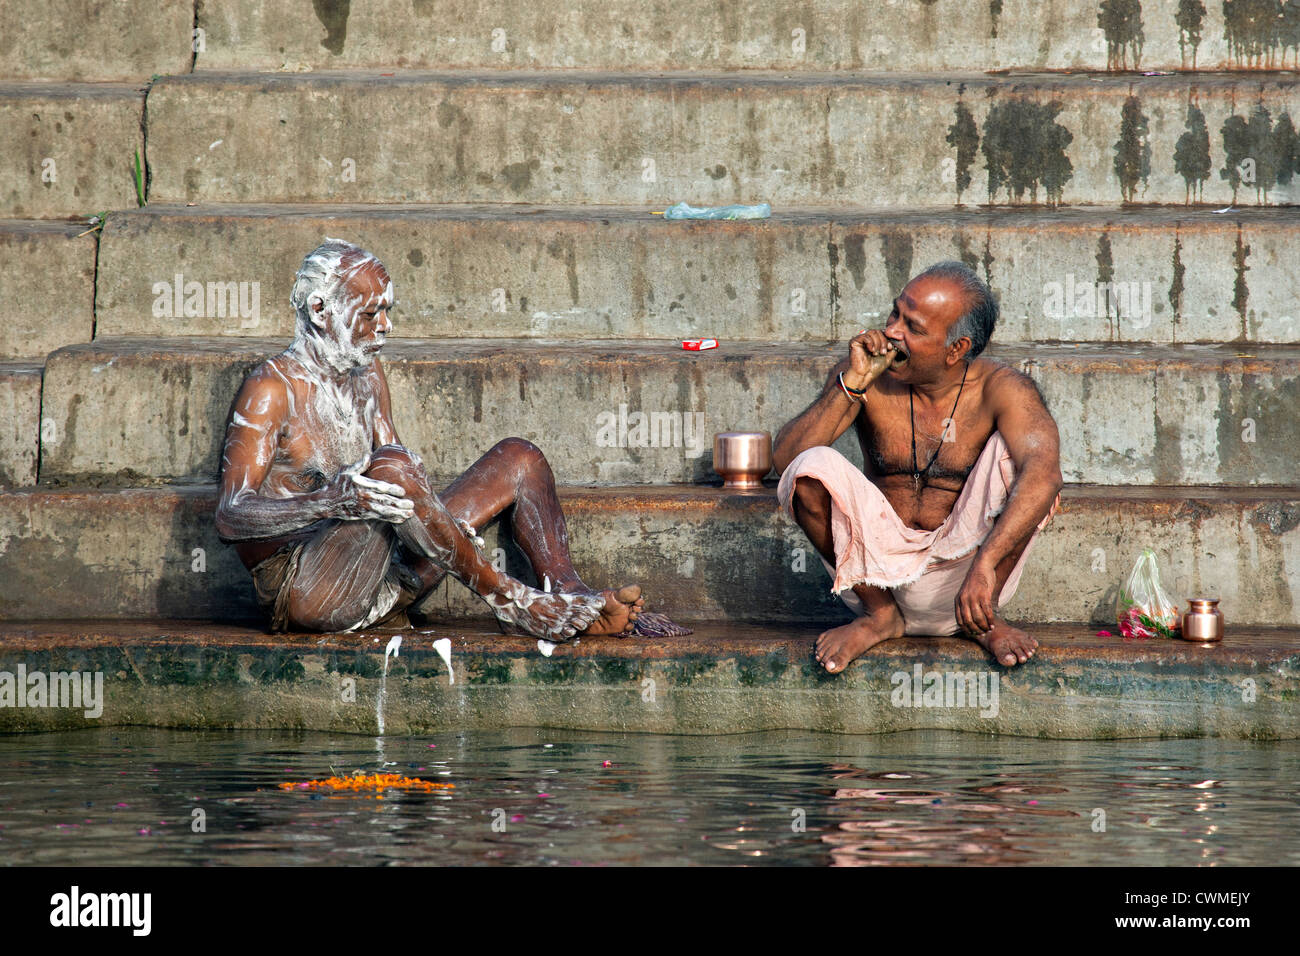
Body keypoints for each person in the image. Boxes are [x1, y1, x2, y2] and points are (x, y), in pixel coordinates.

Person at [216, 238, 656, 640]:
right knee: (391, 469)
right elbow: (230, 516)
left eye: (388, 311)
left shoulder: (367, 372)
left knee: (521, 458)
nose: (385, 326)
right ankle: (514, 603)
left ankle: (570, 595)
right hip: (311, 591)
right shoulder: (270, 389)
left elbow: (401, 476)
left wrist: (437, 521)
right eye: (370, 314)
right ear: (319, 310)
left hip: (386, 574)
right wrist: (331, 502)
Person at [773, 261, 1063, 672]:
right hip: (874, 578)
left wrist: (985, 566)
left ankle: (985, 621)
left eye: (914, 327)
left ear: (956, 349)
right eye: (895, 314)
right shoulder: (866, 376)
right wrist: (853, 383)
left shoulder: (1002, 388)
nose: (892, 331)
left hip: (968, 586)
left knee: (1028, 467)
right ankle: (880, 618)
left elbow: (1045, 474)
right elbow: (785, 461)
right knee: (810, 465)